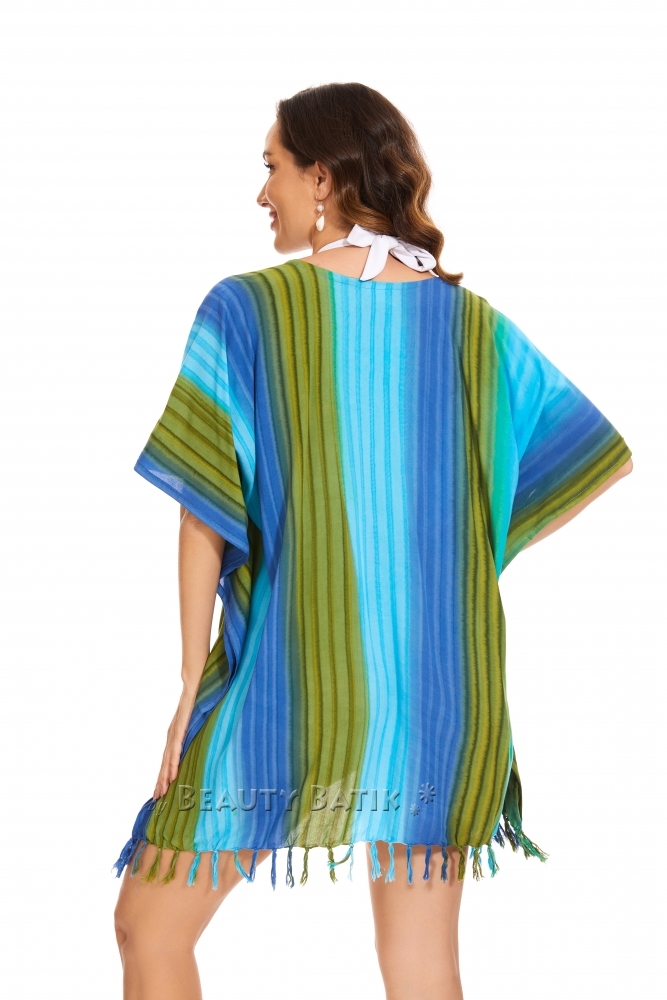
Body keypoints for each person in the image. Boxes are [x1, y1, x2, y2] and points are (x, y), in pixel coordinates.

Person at [112, 82, 633, 1000]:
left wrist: (190, 683)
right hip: (438, 691)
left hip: (290, 684)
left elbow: (202, 509)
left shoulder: (248, 309)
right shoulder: (472, 328)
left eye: (272, 167)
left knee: (148, 925)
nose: (262, 191)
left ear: (321, 178)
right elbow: (588, 458)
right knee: (421, 966)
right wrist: (445, 559)